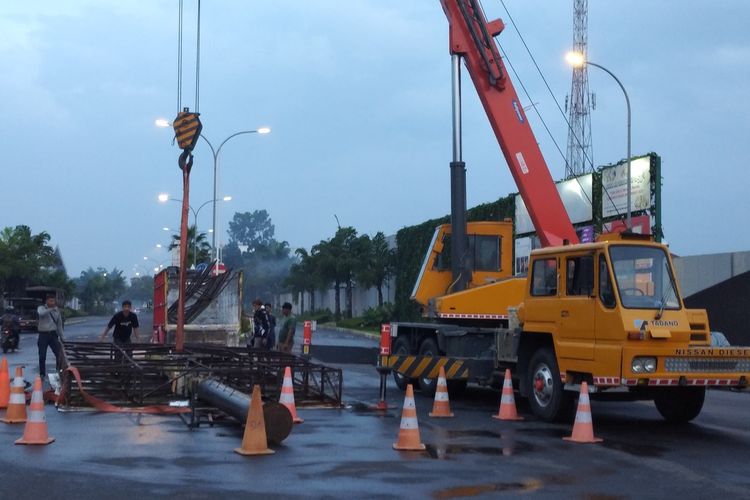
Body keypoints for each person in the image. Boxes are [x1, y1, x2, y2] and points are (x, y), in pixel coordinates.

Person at [37, 295, 64, 379]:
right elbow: (41, 313)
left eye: (53, 301)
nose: (52, 302)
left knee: (59, 354)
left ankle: (59, 371)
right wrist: (51, 309)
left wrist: (62, 338)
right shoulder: (41, 308)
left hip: (53, 335)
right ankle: (42, 373)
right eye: (50, 301)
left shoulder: (57, 311)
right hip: (43, 335)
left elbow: (59, 325)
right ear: (46, 301)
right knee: (42, 355)